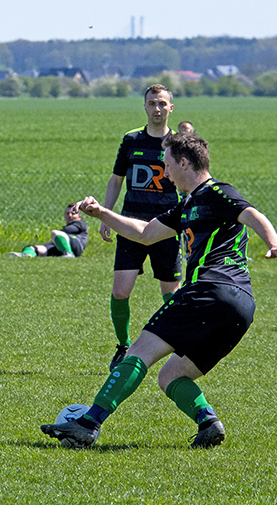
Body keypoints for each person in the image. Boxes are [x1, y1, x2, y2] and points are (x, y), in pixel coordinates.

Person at [41, 132, 277, 449]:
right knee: (172, 375)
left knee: (137, 353)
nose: (165, 172)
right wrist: (102, 214)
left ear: (184, 162)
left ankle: (88, 423)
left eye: (168, 164)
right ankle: (208, 423)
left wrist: (275, 244)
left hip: (209, 289)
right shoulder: (186, 204)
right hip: (241, 306)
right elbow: (146, 233)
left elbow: (252, 214)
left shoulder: (216, 192)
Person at [101, 84, 183, 371]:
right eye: (152, 103)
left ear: (171, 108)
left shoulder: (179, 143)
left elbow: (191, 184)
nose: (157, 109)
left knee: (171, 294)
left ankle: (173, 347)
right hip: (131, 225)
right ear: (145, 107)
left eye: (162, 103)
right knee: (121, 291)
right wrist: (106, 215)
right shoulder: (131, 139)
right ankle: (123, 347)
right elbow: (116, 180)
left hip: (166, 227)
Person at [7, 204, 88, 258]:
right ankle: (26, 255)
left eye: (73, 213)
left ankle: (69, 254)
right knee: (34, 248)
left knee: (55, 233)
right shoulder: (61, 234)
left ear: (79, 216)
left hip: (76, 247)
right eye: (67, 213)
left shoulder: (81, 224)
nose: (70, 215)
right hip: (59, 248)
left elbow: (66, 231)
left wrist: (53, 239)